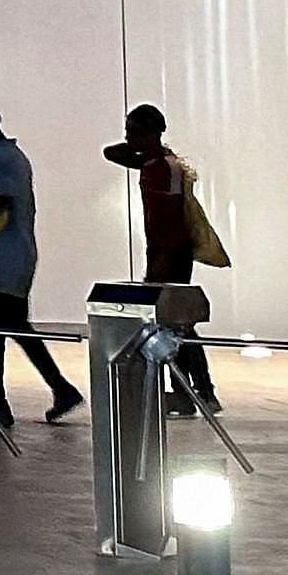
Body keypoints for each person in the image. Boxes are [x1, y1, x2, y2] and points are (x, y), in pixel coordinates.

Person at [0, 105, 83, 427]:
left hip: (2, 261)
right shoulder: (10, 156)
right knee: (16, 328)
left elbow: (2, 201)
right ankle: (60, 389)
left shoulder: (2, 159)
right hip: (11, 258)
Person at [104, 103, 223, 413]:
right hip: (164, 251)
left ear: (151, 133)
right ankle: (191, 390)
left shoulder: (161, 168)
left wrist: (160, 264)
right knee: (174, 324)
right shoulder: (156, 163)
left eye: (133, 131)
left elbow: (169, 219)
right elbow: (111, 153)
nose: (127, 137)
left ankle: (199, 391)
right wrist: (146, 147)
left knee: (177, 325)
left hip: (170, 253)